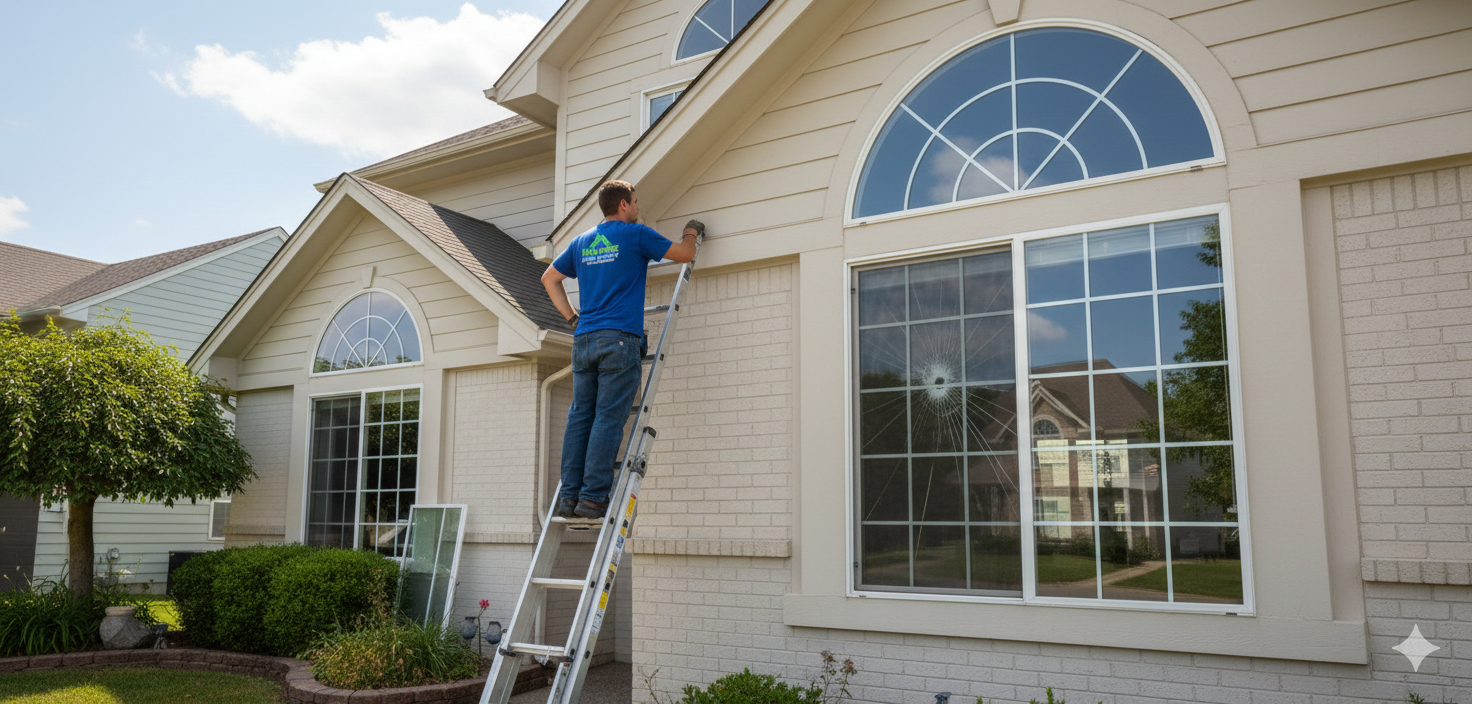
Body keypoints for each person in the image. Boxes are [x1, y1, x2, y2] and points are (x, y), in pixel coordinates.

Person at [541, 180, 702, 519]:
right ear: (624, 205)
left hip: (583, 340)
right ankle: (593, 499)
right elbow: (685, 255)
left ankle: (569, 498)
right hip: (619, 341)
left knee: (580, 418)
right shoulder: (635, 234)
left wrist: (572, 318)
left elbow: (549, 279)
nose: (638, 207)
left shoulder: (582, 242)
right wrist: (690, 232)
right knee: (607, 420)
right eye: (636, 201)